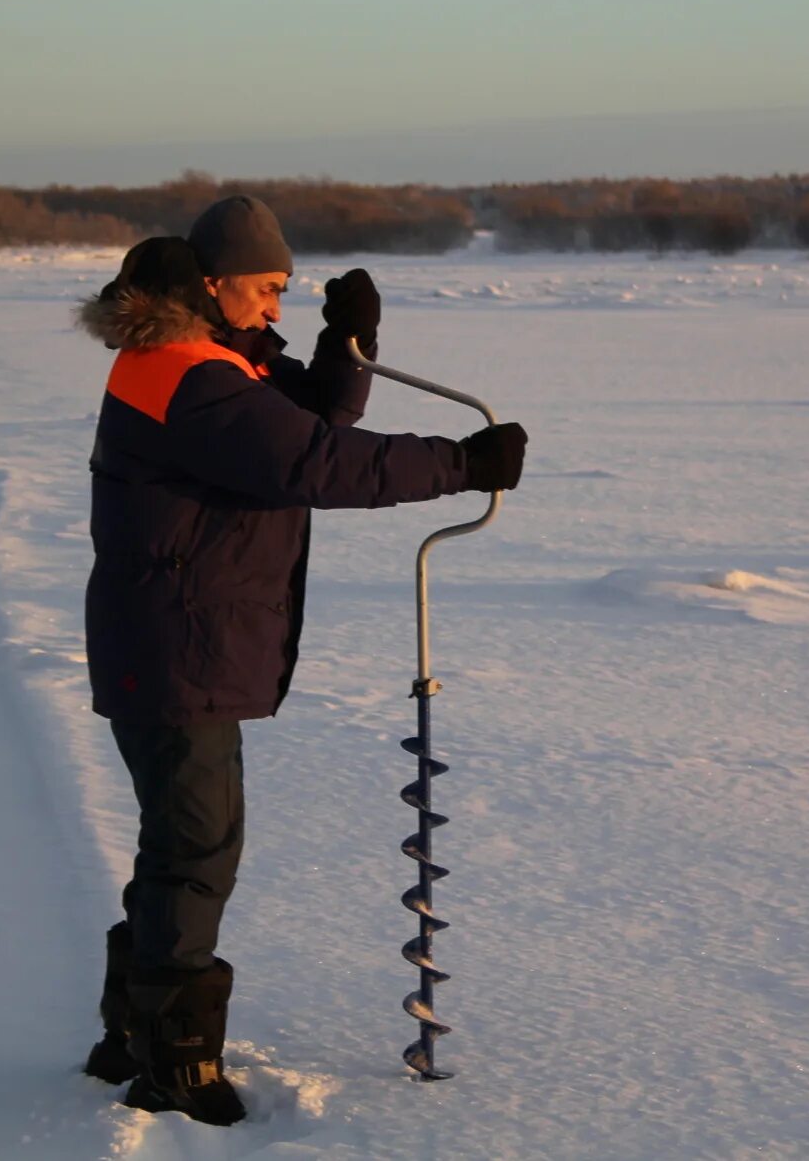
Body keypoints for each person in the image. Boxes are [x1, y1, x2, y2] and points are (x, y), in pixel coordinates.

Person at [73, 195, 526, 1124]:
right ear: (211, 283)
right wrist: (461, 464)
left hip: (174, 640)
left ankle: (129, 1031)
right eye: (268, 288)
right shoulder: (185, 374)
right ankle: (173, 1061)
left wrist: (346, 342)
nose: (278, 306)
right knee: (198, 847)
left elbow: (309, 416)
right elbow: (313, 462)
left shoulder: (209, 358)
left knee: (182, 844)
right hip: (172, 648)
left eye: (287, 290)